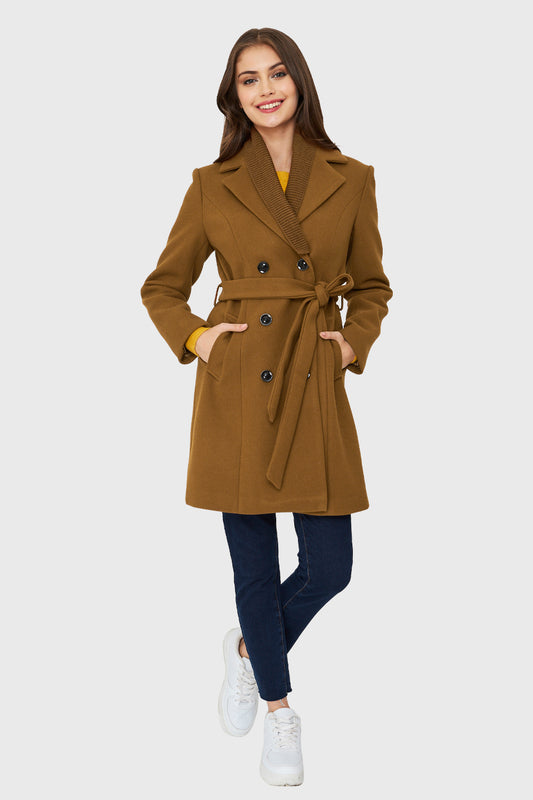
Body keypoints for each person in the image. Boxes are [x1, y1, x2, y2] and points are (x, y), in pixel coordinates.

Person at [140, 27, 392, 787]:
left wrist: (351, 344)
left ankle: (250, 648)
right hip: (240, 382)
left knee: (331, 568)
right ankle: (281, 711)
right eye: (248, 80)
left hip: (312, 375)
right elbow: (162, 287)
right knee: (253, 565)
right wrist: (199, 340)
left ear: (299, 82)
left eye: (276, 74)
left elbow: (372, 286)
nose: (265, 89)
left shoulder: (352, 177)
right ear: (235, 97)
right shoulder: (211, 183)